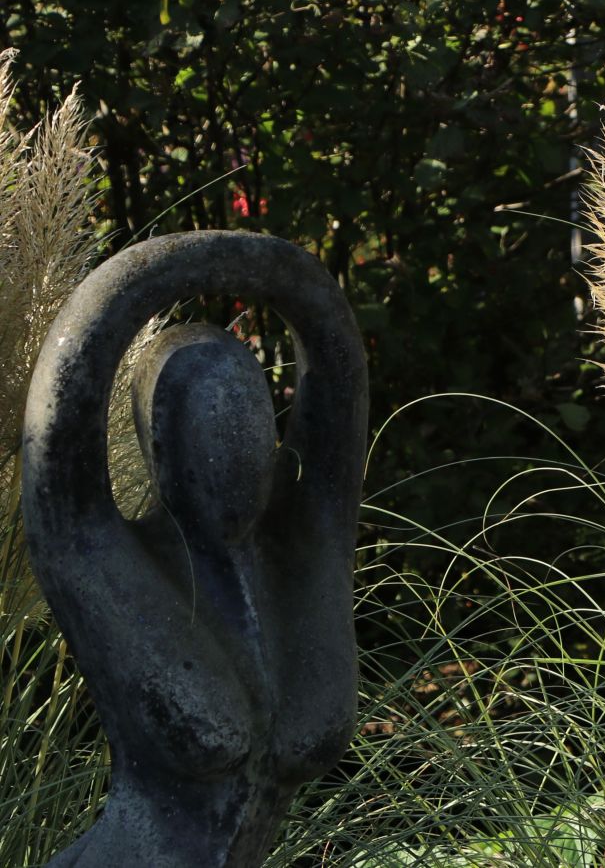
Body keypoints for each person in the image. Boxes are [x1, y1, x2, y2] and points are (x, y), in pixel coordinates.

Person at [22, 232, 368, 868]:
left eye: (252, 427)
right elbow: (58, 439)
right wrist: (148, 276)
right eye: (210, 433)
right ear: (160, 446)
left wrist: (267, 266)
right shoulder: (106, 556)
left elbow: (335, 358)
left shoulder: (301, 549)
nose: (238, 457)